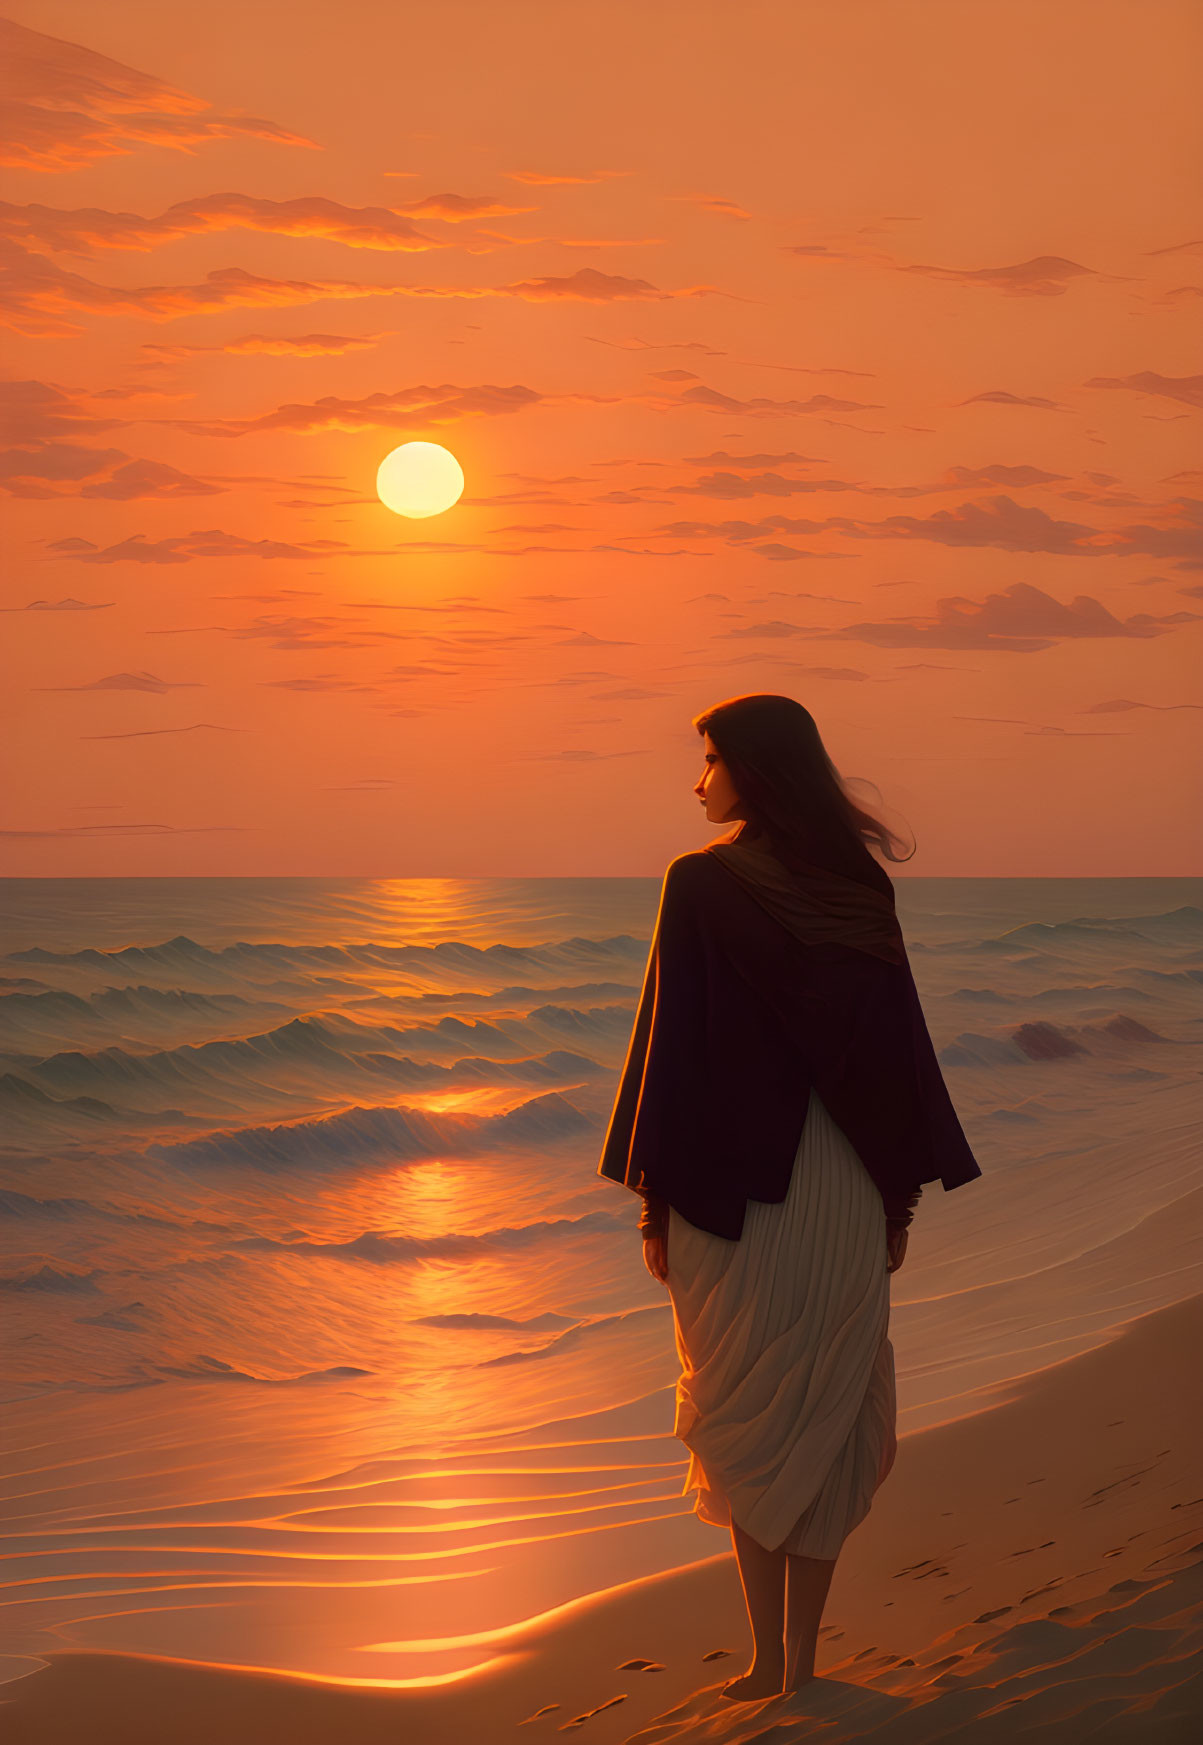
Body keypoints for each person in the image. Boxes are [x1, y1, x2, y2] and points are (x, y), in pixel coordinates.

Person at [596, 693, 982, 1702]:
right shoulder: (860, 888)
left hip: (737, 1190)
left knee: (744, 1416)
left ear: (754, 770)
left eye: (711, 759)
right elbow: (892, 1060)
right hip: (845, 1182)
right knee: (820, 1417)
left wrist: (653, 1205)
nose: (699, 780)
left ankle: (772, 1660)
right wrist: (895, 1202)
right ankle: (796, 1664)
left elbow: (673, 1055)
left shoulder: (699, 884)